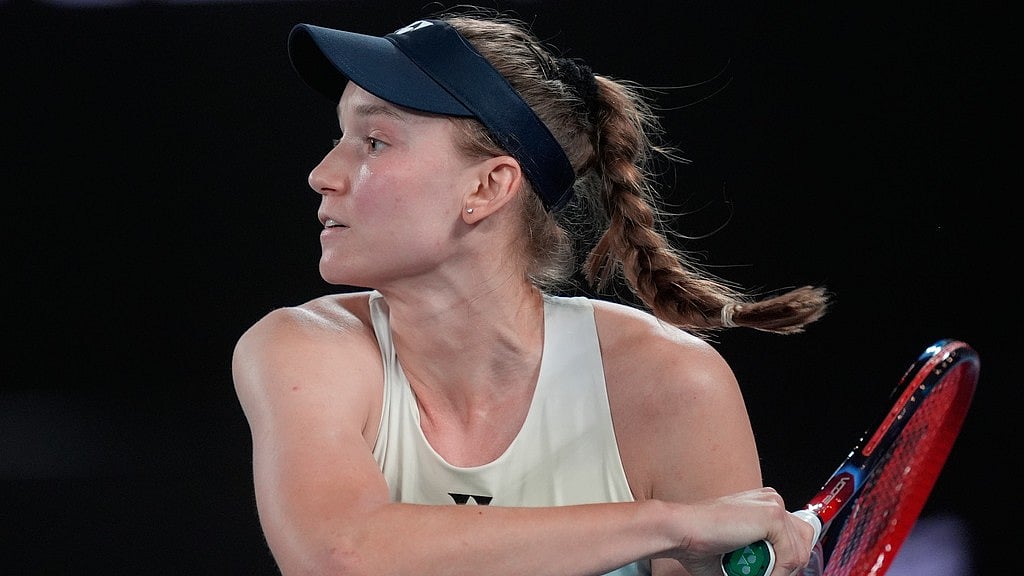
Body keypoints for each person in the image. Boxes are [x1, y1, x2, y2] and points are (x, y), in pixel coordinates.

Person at [232, 6, 830, 576]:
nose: (322, 174)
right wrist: (673, 524)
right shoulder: (300, 350)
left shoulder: (672, 385)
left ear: (489, 186)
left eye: (374, 142)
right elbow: (339, 557)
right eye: (341, 137)